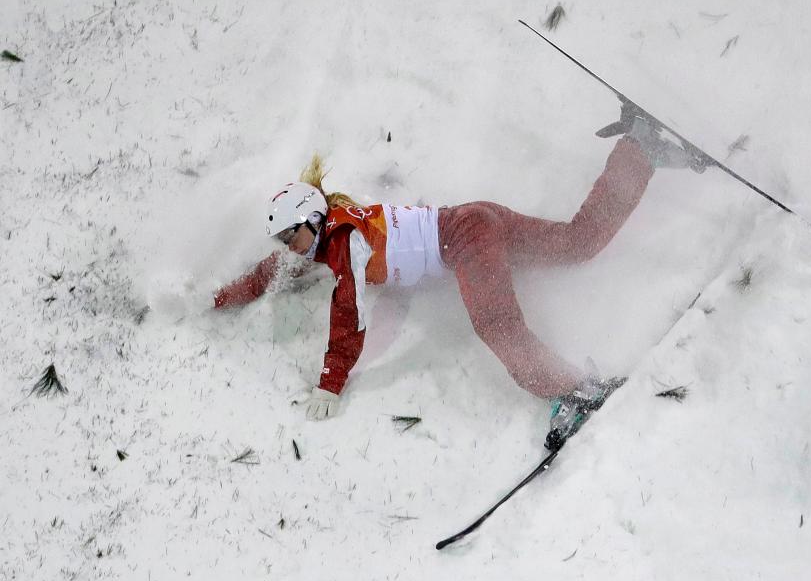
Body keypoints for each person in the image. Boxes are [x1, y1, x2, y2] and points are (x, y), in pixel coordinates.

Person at [213, 106, 700, 447]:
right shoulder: (333, 234)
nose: (290, 249)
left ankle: (570, 389)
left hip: (466, 239)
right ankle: (641, 149)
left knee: (494, 323)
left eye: (292, 236)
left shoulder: (347, 245)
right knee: (576, 243)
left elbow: (348, 316)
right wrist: (216, 298)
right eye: (285, 241)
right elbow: (272, 272)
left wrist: (330, 382)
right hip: (474, 219)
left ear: (314, 218)